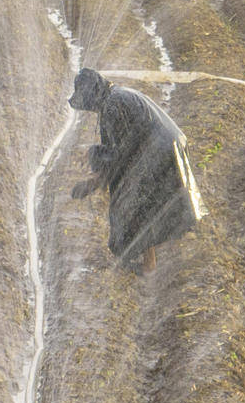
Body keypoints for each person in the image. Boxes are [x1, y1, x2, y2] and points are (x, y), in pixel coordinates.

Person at [68, 67, 206, 273]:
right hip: (162, 147)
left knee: (131, 202)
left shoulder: (113, 107)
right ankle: (149, 261)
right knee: (139, 201)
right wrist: (94, 180)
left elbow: (117, 157)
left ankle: (150, 263)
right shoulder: (115, 98)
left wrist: (91, 180)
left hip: (160, 152)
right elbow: (120, 154)